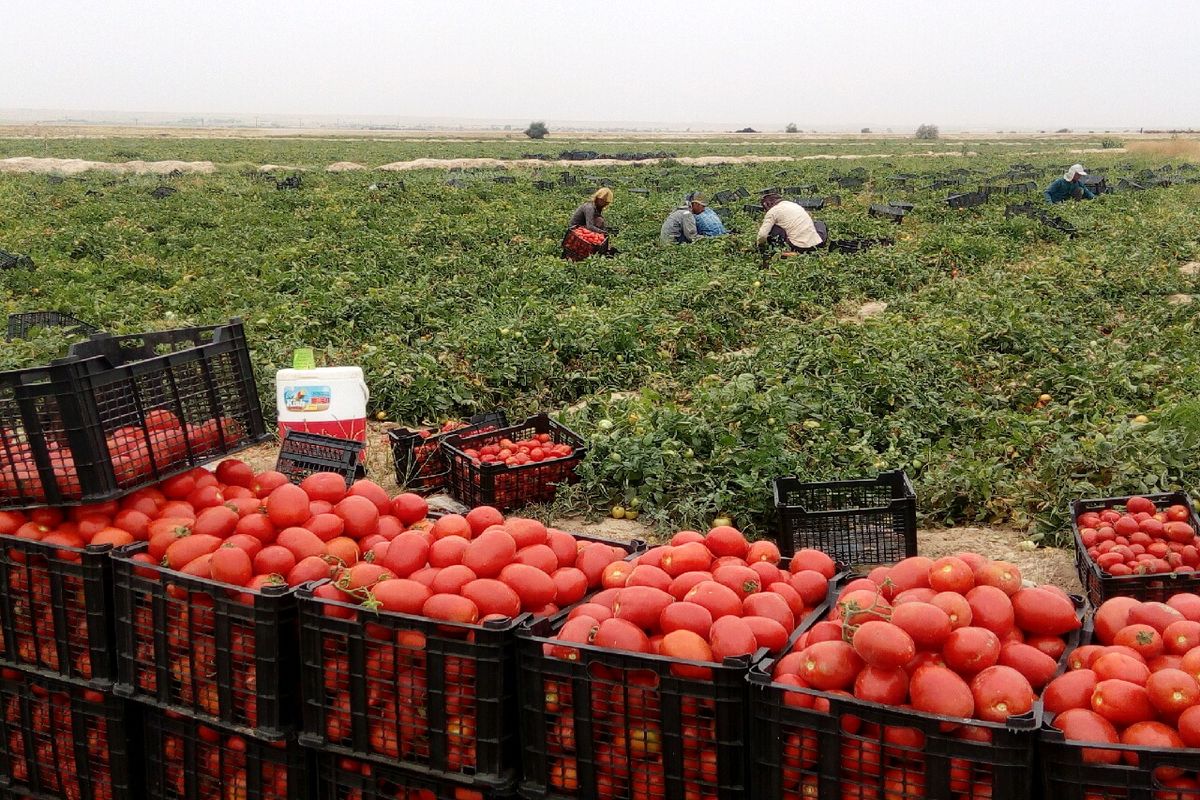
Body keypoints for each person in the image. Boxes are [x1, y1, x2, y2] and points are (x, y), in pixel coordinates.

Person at [756, 193, 827, 252]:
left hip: (798, 247)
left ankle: (784, 248)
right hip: (816, 243)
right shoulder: (793, 205)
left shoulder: (772, 212)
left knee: (773, 229)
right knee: (818, 223)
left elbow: (762, 235)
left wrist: (759, 245)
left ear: (767, 205)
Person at [563, 188, 614, 260]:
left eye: (607, 202)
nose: (606, 204)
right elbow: (590, 226)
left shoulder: (597, 207)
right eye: (604, 201)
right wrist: (604, 232)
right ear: (598, 198)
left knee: (600, 221)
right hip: (576, 231)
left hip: (584, 229)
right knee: (600, 222)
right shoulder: (589, 207)